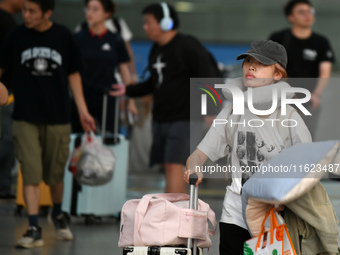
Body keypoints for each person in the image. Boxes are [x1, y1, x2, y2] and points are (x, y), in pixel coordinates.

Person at [184, 40, 313, 254]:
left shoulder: (289, 117)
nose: (251, 67)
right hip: (234, 212)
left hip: (275, 215)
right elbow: (198, 155)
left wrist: (283, 198)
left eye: (261, 63)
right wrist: (194, 166)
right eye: (248, 61)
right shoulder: (232, 112)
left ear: (278, 74)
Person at [0, 0, 96, 249]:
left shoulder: (63, 36)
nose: (26, 15)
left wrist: (83, 111)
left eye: (32, 11)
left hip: (58, 117)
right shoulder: (16, 36)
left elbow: (73, 74)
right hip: (24, 117)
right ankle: (34, 227)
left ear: (48, 13)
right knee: (30, 172)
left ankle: (58, 213)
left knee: (54, 175)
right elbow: (3, 71)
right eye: (24, 10)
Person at [111, 2, 218, 193]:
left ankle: (171, 215)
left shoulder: (187, 45)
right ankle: (175, 213)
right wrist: (128, 90)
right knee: (167, 166)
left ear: (166, 23)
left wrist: (211, 111)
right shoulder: (156, 49)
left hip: (185, 117)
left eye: (148, 23)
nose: (145, 27)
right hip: (162, 117)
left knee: (174, 165)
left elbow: (207, 77)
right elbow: (154, 82)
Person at [269, 0, 335, 138]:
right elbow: (267, 66)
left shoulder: (321, 42)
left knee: (305, 139)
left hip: (308, 99)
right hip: (280, 99)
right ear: (291, 17)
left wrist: (316, 94)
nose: (308, 15)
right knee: (276, 139)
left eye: (310, 11)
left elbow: (325, 70)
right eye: (301, 12)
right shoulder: (279, 39)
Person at [71, 0, 131, 134]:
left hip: (107, 97)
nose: (89, 13)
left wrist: (130, 100)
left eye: (95, 9)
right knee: (80, 139)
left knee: (109, 138)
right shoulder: (78, 38)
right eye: (88, 8)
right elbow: (71, 71)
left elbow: (124, 70)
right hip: (82, 97)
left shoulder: (115, 39)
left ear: (107, 13)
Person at [0, 0, 25, 199]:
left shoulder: (9, 22)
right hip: (6, 93)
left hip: (7, 92)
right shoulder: (6, 23)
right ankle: (3, 183)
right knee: (6, 139)